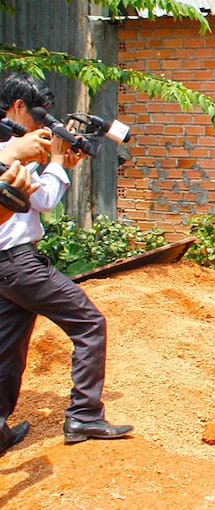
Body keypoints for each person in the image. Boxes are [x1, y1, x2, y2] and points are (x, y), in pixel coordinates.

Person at [0, 72, 133, 456]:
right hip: (19, 263)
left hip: (6, 268)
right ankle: (84, 415)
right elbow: (41, 202)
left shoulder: (12, 145)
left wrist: (58, 164)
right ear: (18, 106)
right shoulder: (9, 145)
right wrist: (58, 161)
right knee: (91, 323)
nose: (43, 123)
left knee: (7, 348)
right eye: (38, 113)